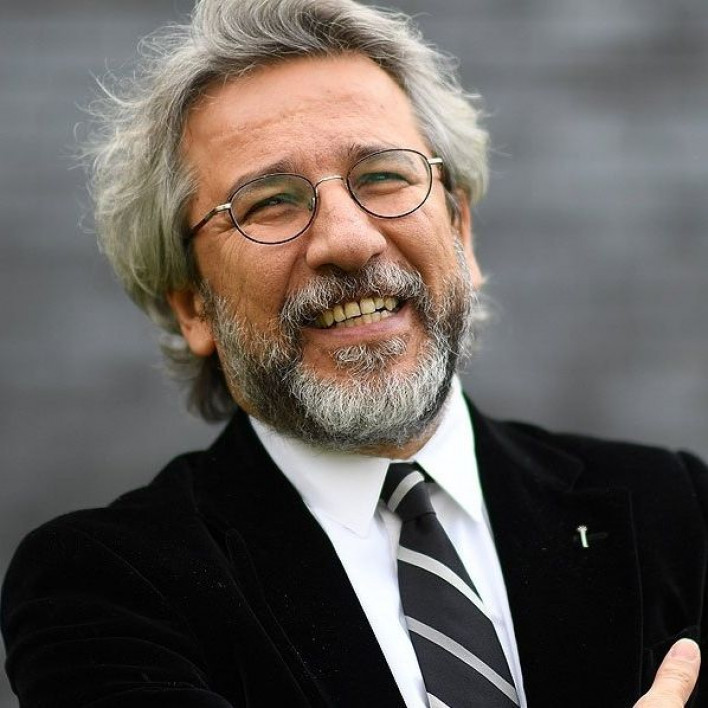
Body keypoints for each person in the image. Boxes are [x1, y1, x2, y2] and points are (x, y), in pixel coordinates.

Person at [1, 0, 705, 706]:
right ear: (193, 305)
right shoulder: (101, 586)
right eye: (270, 202)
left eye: (383, 177)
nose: (348, 240)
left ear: (460, 232)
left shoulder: (680, 511)